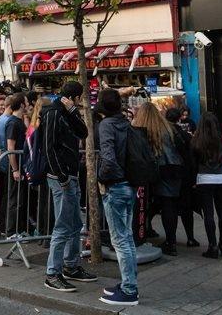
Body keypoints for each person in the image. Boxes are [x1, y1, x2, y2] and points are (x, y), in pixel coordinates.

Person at [42, 80, 97, 293]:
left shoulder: (66, 112)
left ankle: (70, 265)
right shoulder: (53, 113)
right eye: (79, 99)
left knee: (74, 223)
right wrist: (62, 176)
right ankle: (52, 273)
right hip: (61, 177)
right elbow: (49, 147)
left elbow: (83, 132)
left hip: (70, 175)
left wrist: (73, 111)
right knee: (63, 226)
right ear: (74, 96)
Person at [96, 88, 138, 306]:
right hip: (129, 184)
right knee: (126, 237)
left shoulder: (106, 126)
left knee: (120, 239)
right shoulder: (124, 122)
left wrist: (101, 177)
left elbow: (109, 158)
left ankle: (130, 289)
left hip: (115, 185)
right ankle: (128, 283)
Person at [132, 103, 185, 256]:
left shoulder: (141, 129)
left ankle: (151, 234)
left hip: (156, 170)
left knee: (152, 203)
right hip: (174, 168)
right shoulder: (167, 127)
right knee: (170, 205)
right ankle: (171, 240)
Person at [191, 112, 222, 259]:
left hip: (204, 179)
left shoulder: (196, 141)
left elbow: (193, 164)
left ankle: (212, 246)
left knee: (209, 214)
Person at [164, 107, 199, 247]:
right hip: (184, 174)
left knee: (169, 207)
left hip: (168, 173)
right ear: (179, 118)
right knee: (186, 208)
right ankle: (190, 237)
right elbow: (191, 157)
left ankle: (170, 241)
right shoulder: (184, 135)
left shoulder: (163, 134)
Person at [0, 93, 28, 237]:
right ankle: (11, 231)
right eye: (26, 102)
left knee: (18, 198)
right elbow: (11, 147)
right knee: (14, 198)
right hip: (15, 165)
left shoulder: (17, 121)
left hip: (19, 164)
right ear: (21, 104)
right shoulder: (13, 122)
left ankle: (16, 229)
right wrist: (15, 169)